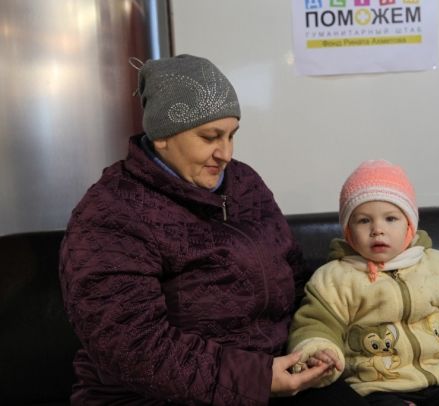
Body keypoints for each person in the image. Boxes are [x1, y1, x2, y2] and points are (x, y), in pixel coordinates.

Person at [58, 54, 366, 405]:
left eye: (232, 135)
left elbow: (295, 277)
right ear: (161, 135)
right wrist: (258, 379)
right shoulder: (111, 212)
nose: (226, 154)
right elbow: (131, 344)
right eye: (210, 137)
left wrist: (315, 341)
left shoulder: (244, 182)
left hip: (274, 372)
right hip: (159, 395)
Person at [288, 160, 439, 405]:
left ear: (410, 225)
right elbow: (316, 323)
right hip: (376, 387)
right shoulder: (334, 279)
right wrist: (319, 353)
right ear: (348, 231)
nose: (377, 229)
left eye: (390, 218)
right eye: (364, 221)